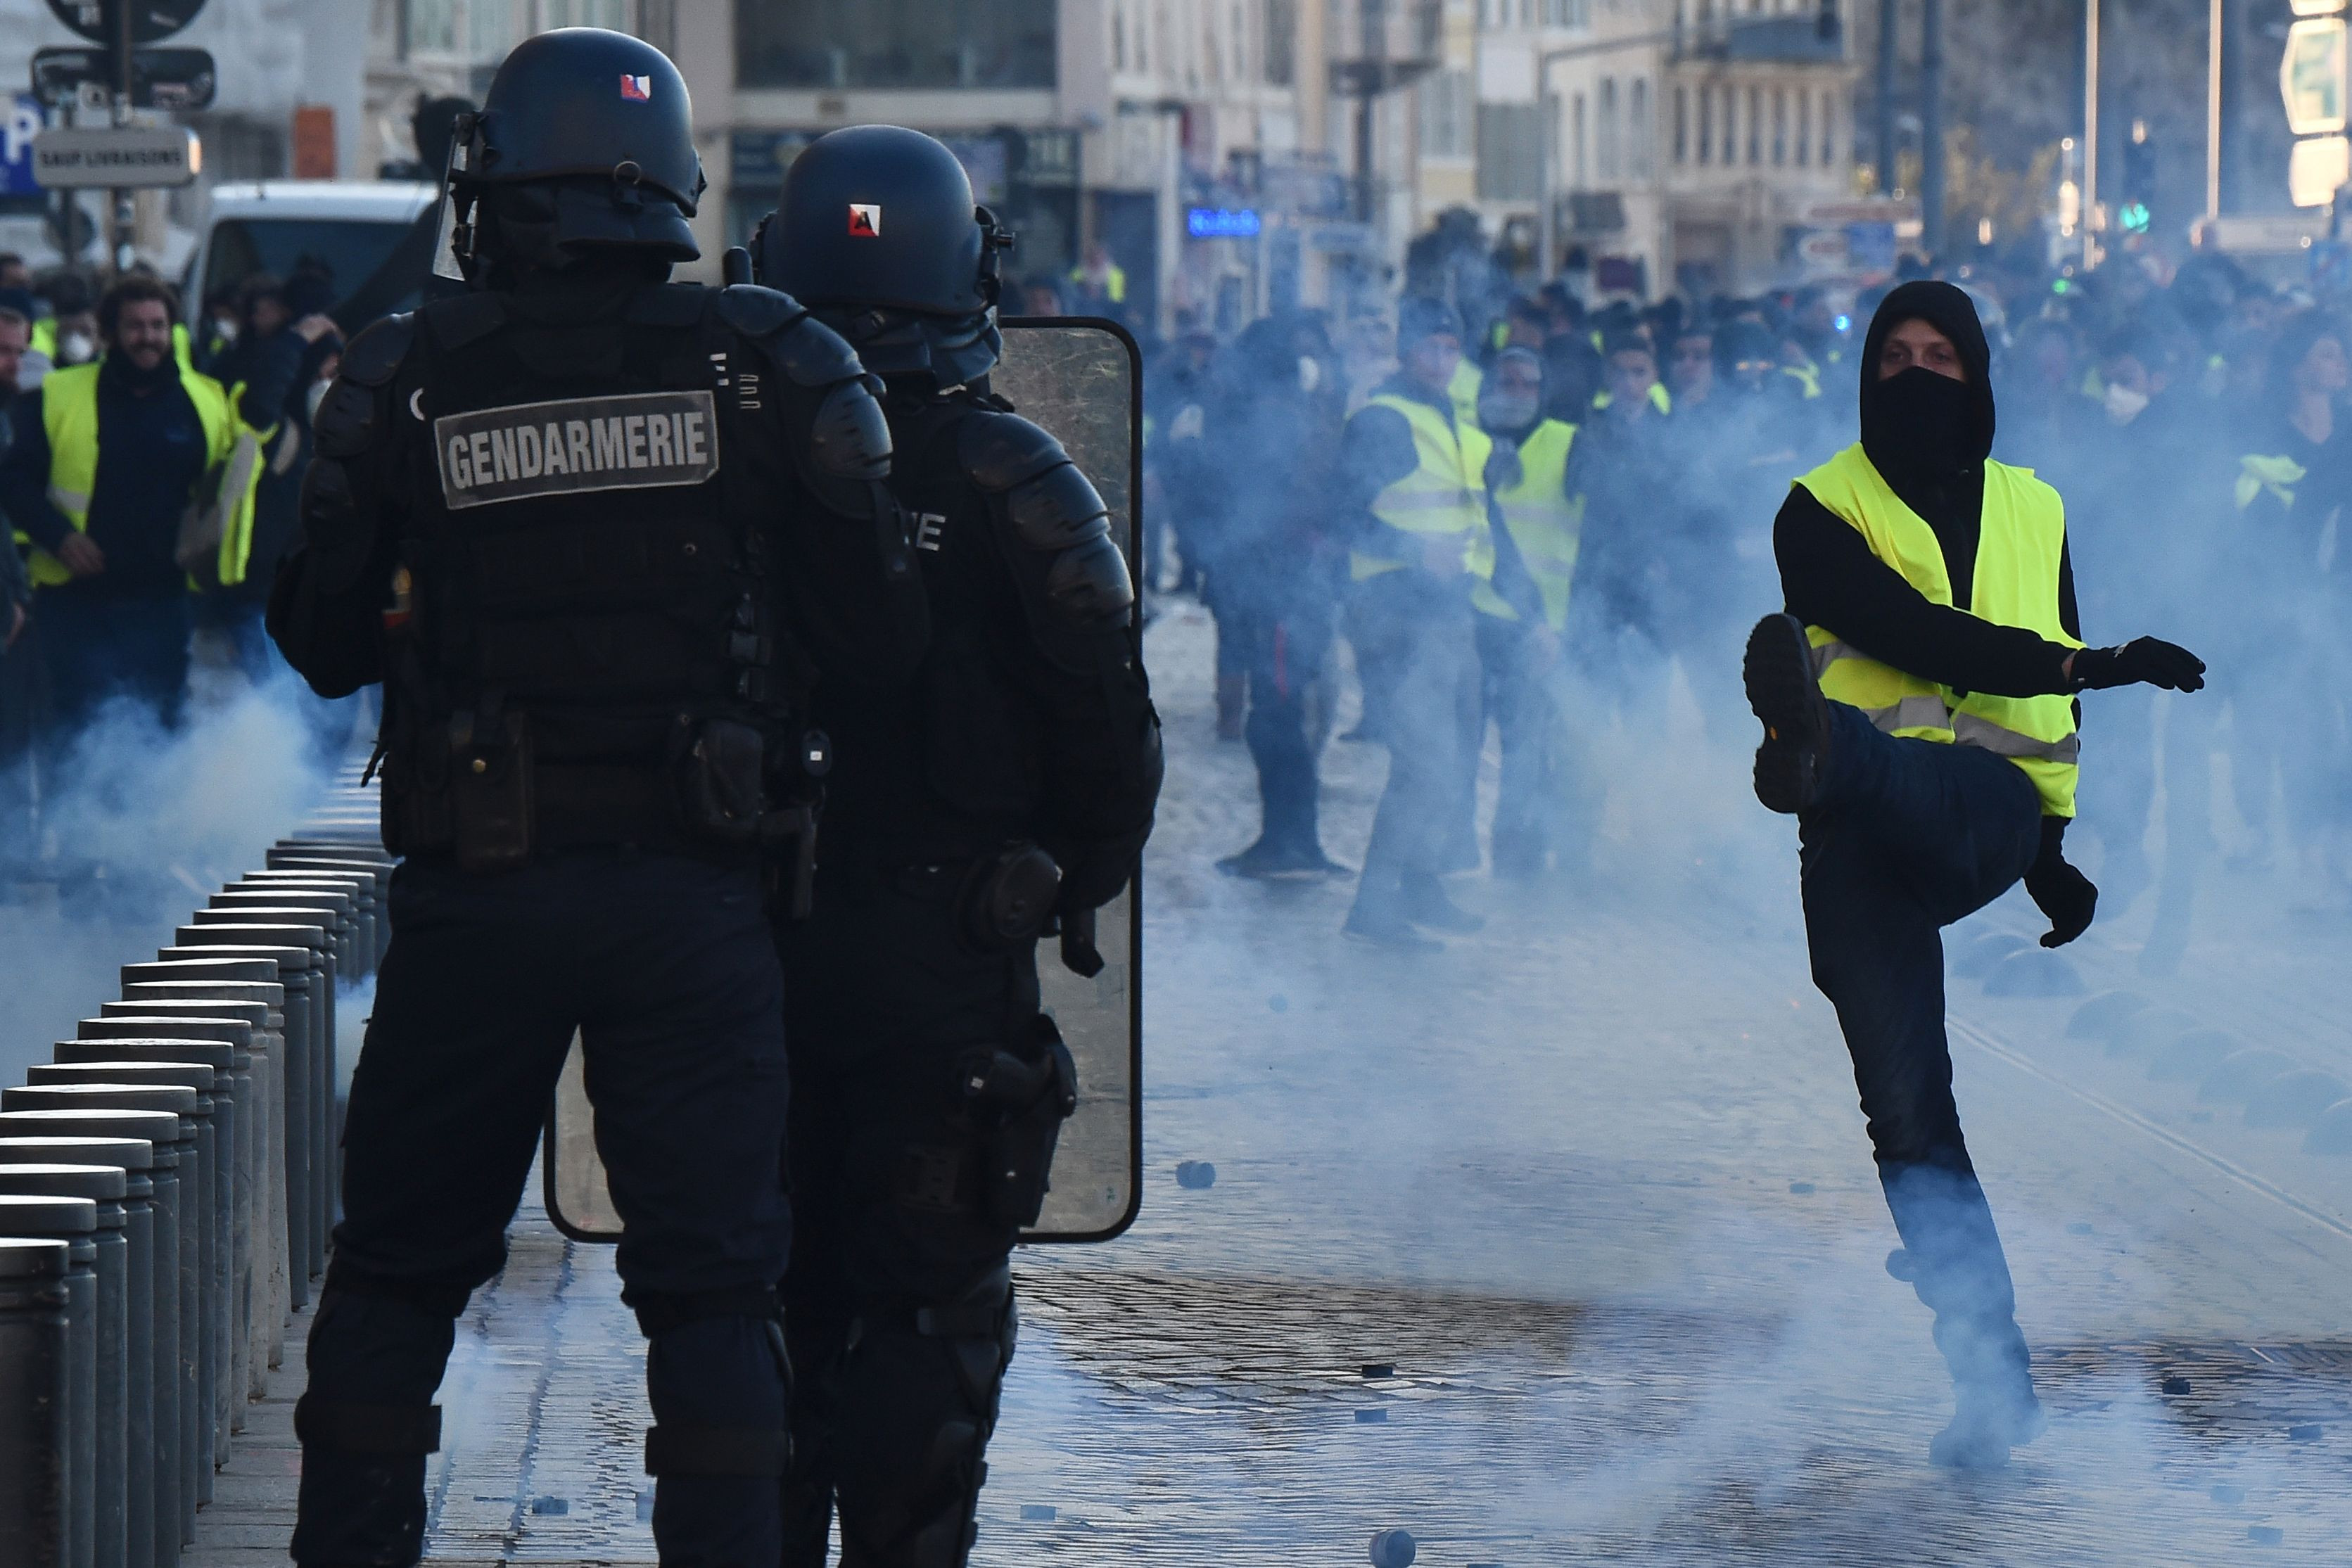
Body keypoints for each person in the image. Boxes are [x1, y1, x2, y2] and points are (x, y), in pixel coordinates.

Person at [264, 30, 898, 1565]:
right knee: (715, 1291)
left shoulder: (406, 371)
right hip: (695, 890)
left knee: (400, 1272)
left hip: (479, 889)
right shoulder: (770, 360)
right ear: (672, 185)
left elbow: (319, 633)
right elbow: (882, 636)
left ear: (497, 183)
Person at [753, 124, 1162, 1567]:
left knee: (755, 1298)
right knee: (927, 1306)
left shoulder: (724, 460)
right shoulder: (1014, 475)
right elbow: (1112, 748)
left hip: (740, 955)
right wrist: (1058, 872)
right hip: (940, 957)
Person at [1745, 281, 2207, 1470]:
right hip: (1853, 835)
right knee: (1907, 1118)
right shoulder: (1816, 510)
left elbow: (2031, 689)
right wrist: (2096, 659)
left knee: (1898, 774)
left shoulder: (2033, 504)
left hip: (1986, 810)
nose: (1912, 373)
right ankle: (1991, 1384)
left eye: (1936, 354)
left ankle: (1817, 749)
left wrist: (2052, 854)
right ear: (1863, 372)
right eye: (1892, 354)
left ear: (1976, 370)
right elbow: (1908, 634)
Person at [0, 275, 254, 743]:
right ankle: (76, 819)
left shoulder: (206, 400)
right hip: (75, 603)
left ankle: (154, 819)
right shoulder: (57, 394)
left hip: (163, 602)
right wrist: (60, 537)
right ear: (110, 332)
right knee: (76, 735)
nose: (148, 337)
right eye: (135, 326)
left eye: (158, 325)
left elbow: (226, 491)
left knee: (160, 734)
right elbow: (14, 483)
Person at [1336, 297, 1494, 948]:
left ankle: (1421, 883)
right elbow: (1343, 514)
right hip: (1398, 611)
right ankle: (1374, 907)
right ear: (1406, 351)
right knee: (1423, 761)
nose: (1444, 359)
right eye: (1431, 346)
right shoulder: (1382, 418)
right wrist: (1414, 553)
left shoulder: (1448, 415)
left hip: (1451, 609)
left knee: (1452, 757)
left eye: (1453, 348)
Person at [1207, 310, 1351, 878]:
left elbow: (1272, 504)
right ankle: (1288, 838)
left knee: (1278, 714)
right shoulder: (1302, 414)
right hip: (1281, 582)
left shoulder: (1277, 420)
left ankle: (1290, 842)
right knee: (1281, 711)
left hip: (1285, 586)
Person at [1472, 344, 1584, 878]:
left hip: (1538, 628)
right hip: (1473, 622)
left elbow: (1601, 536)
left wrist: (1559, 627)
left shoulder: (1569, 445)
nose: (1516, 395)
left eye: (1528, 385)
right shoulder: (1465, 443)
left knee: (1526, 749)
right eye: (1507, 383)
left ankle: (1519, 864)